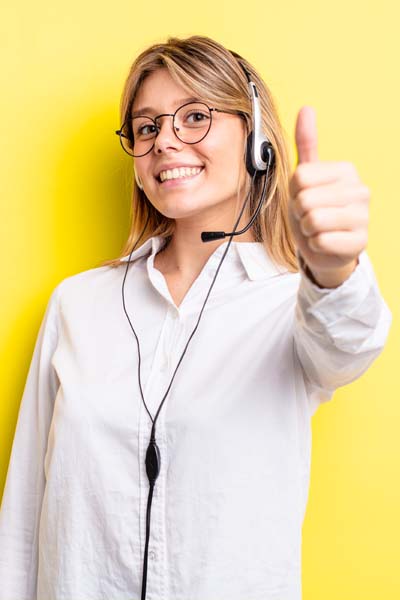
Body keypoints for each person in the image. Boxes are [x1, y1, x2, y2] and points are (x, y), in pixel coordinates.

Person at [0, 35, 392, 600]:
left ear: (256, 140)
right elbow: (24, 520)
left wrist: (334, 268)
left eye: (196, 117)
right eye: (147, 126)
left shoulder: (292, 303)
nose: (166, 141)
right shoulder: (77, 304)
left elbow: (350, 340)